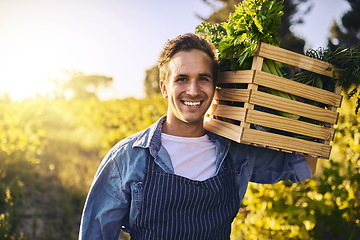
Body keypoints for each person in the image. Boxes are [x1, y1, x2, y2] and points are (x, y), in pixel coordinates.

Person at [79, 33, 317, 240]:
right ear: (164, 87)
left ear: (214, 87)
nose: (193, 90)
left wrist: (305, 101)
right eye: (182, 79)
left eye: (203, 78)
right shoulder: (127, 158)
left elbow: (301, 166)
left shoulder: (235, 152)